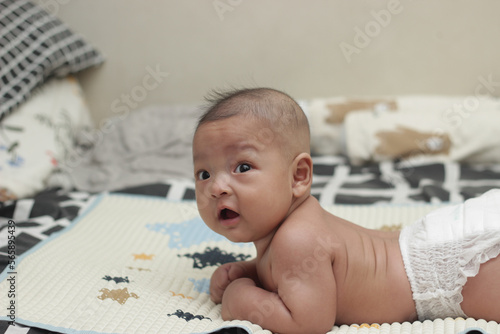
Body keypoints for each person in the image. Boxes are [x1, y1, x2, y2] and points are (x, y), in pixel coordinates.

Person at [191, 87, 500, 334]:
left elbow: (307, 323)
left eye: (242, 167)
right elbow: (303, 276)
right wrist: (253, 271)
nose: (216, 187)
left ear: (299, 176)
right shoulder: (296, 230)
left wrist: (240, 297)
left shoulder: (296, 239)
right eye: (203, 174)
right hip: (438, 243)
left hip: (453, 274)